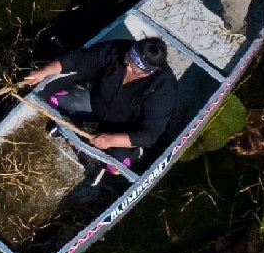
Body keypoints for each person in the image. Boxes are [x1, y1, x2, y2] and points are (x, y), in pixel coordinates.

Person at [20, 31, 190, 167]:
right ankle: (72, 128)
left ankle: (131, 155)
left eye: (133, 67)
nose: (126, 66)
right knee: (52, 96)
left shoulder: (164, 91)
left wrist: (111, 139)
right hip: (96, 104)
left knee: (117, 163)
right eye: (128, 59)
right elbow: (77, 59)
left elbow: (150, 134)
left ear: (148, 72)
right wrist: (44, 71)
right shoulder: (119, 49)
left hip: (123, 127)